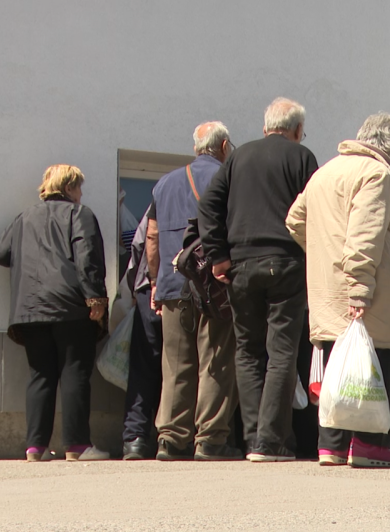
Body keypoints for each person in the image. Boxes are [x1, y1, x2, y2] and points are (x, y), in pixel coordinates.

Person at [286, 112, 390, 468]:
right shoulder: (377, 173)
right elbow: (365, 235)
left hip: (327, 292)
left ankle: (332, 445)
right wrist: (359, 287)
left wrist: (323, 252)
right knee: (375, 365)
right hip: (370, 293)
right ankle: (369, 444)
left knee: (337, 369)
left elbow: (295, 220)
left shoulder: (323, 173)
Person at [199, 97, 318, 462]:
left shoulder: (237, 157)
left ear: (266, 126)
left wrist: (218, 256)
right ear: (296, 129)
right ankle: (271, 441)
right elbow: (315, 209)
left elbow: (208, 205)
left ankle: (253, 439)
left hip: (241, 265)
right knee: (281, 351)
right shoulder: (302, 158)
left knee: (248, 351)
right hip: (285, 262)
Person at [0, 164, 109, 462]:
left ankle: (36, 447)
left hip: (29, 308)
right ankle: (77, 446)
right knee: (75, 372)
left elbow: (1, 253)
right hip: (70, 305)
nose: (82, 194)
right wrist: (95, 297)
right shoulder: (79, 214)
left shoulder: (23, 218)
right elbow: (87, 257)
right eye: (79, 188)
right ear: (69, 188)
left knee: (40, 374)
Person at [145, 121, 241, 461]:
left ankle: (170, 438)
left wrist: (156, 282)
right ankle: (210, 440)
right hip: (215, 286)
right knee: (215, 360)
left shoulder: (165, 183)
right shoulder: (229, 178)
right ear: (225, 146)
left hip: (173, 286)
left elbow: (152, 237)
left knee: (176, 364)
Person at [121, 207, 163, 460]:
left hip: (150, 289)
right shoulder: (215, 191)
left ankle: (134, 439)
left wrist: (138, 288)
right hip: (193, 291)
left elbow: (140, 246)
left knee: (143, 366)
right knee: (184, 367)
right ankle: (173, 439)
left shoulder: (158, 199)